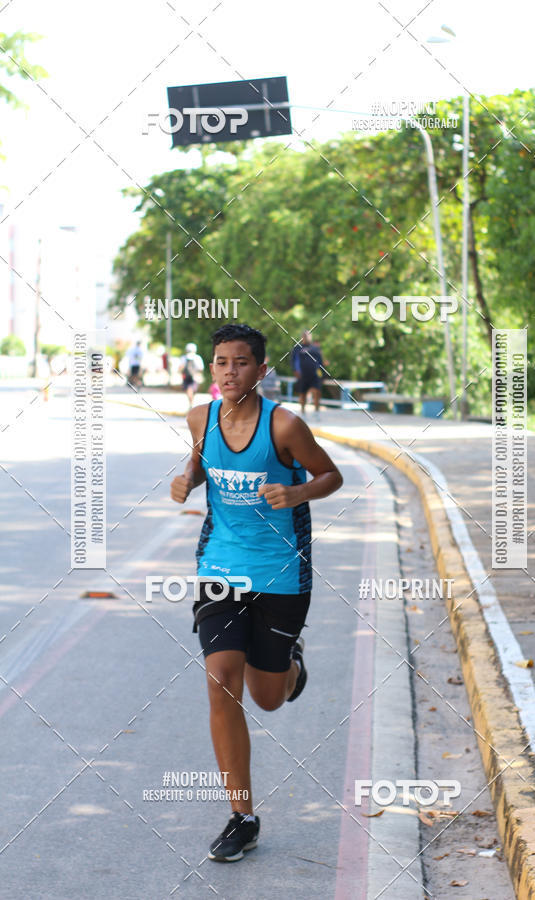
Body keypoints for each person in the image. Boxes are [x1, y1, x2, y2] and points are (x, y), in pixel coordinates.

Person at [170, 323, 343, 863]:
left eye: (240, 362)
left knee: (267, 697)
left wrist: (296, 491)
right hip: (221, 565)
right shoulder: (201, 417)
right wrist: (187, 480)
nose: (228, 371)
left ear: (261, 370)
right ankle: (242, 816)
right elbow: (203, 467)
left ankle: (290, 663)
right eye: (221, 361)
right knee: (221, 679)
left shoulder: (286, 426)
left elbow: (331, 476)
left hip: (281, 573)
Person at [293, 330, 324, 416]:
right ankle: (303, 412)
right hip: (303, 375)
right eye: (305, 335)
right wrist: (295, 371)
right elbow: (294, 361)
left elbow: (320, 362)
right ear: (302, 337)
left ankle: (317, 412)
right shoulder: (297, 348)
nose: (306, 337)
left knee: (316, 392)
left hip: (314, 375)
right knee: (302, 393)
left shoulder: (315, 348)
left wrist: (322, 375)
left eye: (308, 335)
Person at [180, 342, 205, 409]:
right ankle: (191, 403)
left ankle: (191, 404)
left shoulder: (184, 358)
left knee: (189, 390)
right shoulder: (197, 358)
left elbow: (180, 368)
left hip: (186, 377)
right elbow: (201, 368)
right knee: (191, 390)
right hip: (195, 377)